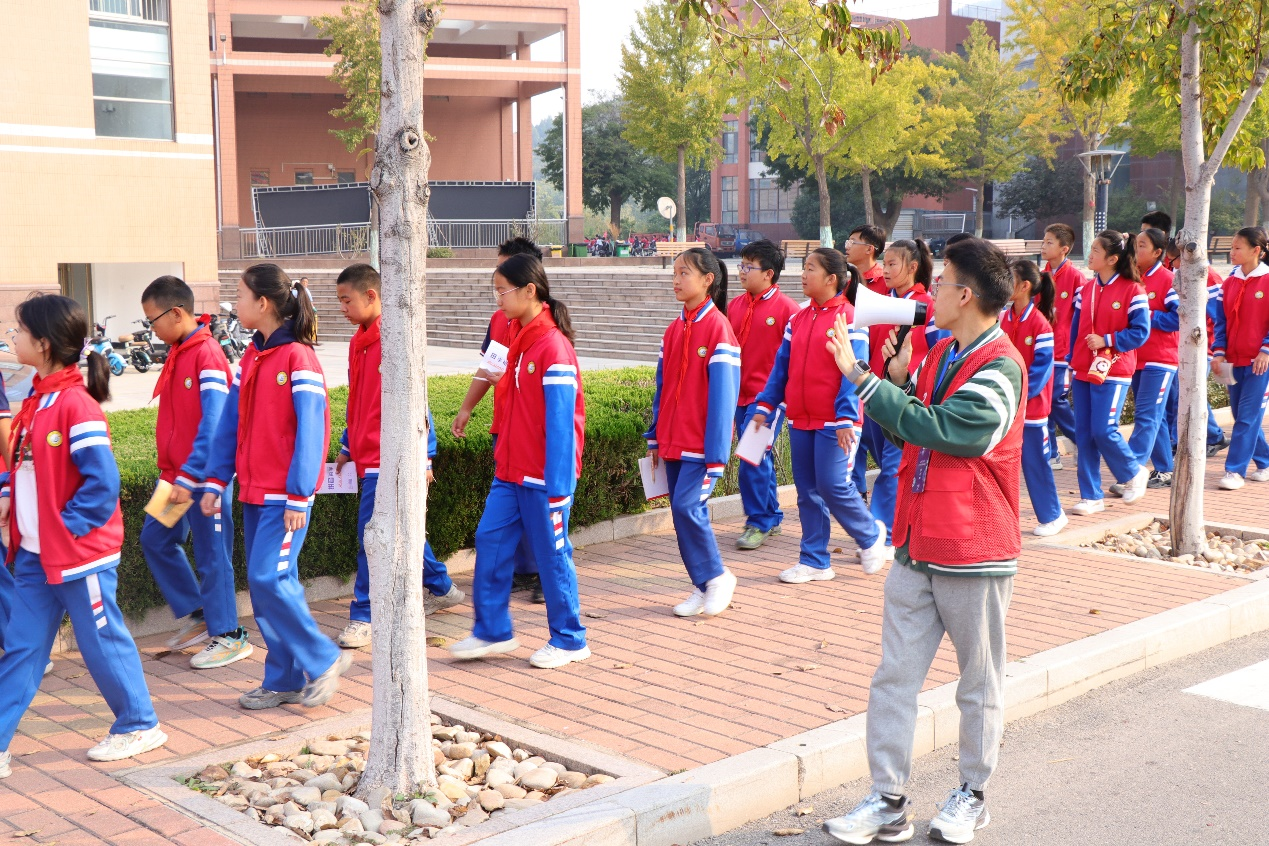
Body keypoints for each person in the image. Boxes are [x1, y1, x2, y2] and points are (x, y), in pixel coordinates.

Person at [821, 238, 1024, 845]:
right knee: (894, 678)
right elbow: (913, 422)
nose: (930, 292)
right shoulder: (939, 353)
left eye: (942, 284)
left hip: (974, 549)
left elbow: (953, 432)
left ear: (966, 296)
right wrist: (899, 380)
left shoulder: (1002, 366)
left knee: (978, 683)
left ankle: (973, 794)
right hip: (916, 543)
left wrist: (864, 380)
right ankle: (888, 799)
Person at [0, 295, 167, 777]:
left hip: (78, 555)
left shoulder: (76, 405)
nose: (12, 337)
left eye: (18, 331)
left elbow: (102, 485)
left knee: (101, 639)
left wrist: (64, 530)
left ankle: (139, 723)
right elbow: (26, 466)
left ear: (44, 343)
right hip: (37, 554)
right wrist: (10, 494)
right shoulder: (39, 398)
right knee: (22, 648)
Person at [200, 263, 352, 710]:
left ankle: (323, 658)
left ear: (263, 303)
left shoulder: (298, 358)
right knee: (269, 585)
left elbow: (312, 431)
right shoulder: (253, 356)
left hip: (285, 497)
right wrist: (215, 479)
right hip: (254, 492)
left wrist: (300, 494)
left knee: (268, 578)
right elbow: (230, 425)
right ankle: (283, 680)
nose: (235, 305)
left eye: (240, 296)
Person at [450, 255, 589, 668]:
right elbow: (490, 371)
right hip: (510, 469)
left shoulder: (553, 347)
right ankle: (492, 630)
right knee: (490, 539)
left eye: (502, 290)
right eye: (495, 290)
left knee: (552, 554)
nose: (498, 299)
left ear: (530, 291)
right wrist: (468, 406)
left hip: (544, 477)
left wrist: (558, 490)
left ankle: (570, 639)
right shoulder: (510, 331)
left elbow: (563, 426)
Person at [333, 264, 463, 651]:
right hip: (367, 455)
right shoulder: (359, 342)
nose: (342, 308)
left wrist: (426, 457)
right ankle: (441, 586)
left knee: (370, 536)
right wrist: (347, 444)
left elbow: (418, 402)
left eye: (346, 300)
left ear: (371, 296)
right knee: (397, 532)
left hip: (389, 457)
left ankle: (364, 615)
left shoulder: (396, 338)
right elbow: (358, 400)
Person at [749, 248, 889, 583]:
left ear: (831, 279)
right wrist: (765, 405)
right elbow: (781, 368)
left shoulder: (850, 319)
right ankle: (814, 561)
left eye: (810, 268)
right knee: (807, 492)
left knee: (833, 485)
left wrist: (845, 418)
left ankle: (870, 535)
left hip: (836, 423)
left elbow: (853, 372)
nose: (803, 274)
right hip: (801, 419)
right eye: (804, 267)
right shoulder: (797, 319)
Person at [138, 276, 251, 669]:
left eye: (152, 320)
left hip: (204, 479)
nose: (150, 328)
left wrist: (190, 474)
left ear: (176, 313)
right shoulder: (179, 351)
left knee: (212, 555)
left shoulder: (207, 354)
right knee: (155, 538)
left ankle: (230, 635)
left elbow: (215, 423)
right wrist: (178, 474)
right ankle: (203, 614)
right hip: (175, 477)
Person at [646, 248, 741, 617]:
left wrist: (716, 455)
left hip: (701, 447)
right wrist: (655, 436)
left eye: (684, 273)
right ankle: (701, 585)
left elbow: (723, 399)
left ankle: (717, 576)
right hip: (672, 441)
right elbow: (662, 387)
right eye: (674, 273)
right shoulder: (674, 329)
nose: (676, 280)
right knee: (680, 512)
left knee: (688, 507)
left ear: (707, 280)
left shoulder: (719, 329)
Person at [452, 237, 545, 604]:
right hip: (503, 428)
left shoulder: (547, 325)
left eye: (506, 276)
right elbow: (489, 368)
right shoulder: (499, 318)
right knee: (510, 506)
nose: (499, 286)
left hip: (532, 433)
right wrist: (466, 407)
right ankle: (522, 571)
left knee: (539, 506)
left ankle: (547, 572)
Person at [856, 239, 945, 556]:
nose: (886, 269)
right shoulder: (881, 300)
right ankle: (903, 523)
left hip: (906, 397)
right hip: (877, 394)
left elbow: (940, 349)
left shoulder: (926, 305)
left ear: (912, 267)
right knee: (891, 464)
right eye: (885, 263)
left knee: (893, 468)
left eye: (893, 264)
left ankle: (881, 534)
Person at [1066, 231, 1151, 515]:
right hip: (1083, 369)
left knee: (1104, 429)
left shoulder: (1133, 290)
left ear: (1112, 259)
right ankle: (1091, 496)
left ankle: (1133, 471)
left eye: (1095, 250)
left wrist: (1107, 340)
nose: (1089, 254)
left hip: (1114, 368)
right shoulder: (1086, 289)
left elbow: (1141, 332)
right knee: (1084, 434)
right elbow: (1076, 329)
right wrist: (1071, 361)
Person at [730, 239, 799, 550]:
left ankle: (758, 522)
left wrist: (782, 398)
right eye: (741, 264)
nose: (742, 271)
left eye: (749, 266)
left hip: (769, 400)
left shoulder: (788, 310)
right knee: (760, 457)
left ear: (769, 274)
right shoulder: (735, 305)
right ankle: (771, 516)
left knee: (751, 457)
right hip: (739, 396)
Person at [1003, 260, 1067, 536]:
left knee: (1035, 462)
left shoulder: (1041, 325)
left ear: (1024, 286)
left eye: (1009, 278)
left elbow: (1041, 370)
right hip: (1008, 404)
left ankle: (1053, 515)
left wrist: (1019, 395)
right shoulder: (1004, 318)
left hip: (1031, 408)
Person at [1119, 229, 1178, 491]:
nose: (1136, 250)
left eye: (1142, 245)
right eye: (1135, 244)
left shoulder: (1167, 279)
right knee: (1155, 416)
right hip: (1137, 358)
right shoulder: (1133, 279)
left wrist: (1147, 316)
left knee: (1146, 416)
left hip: (1160, 359)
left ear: (1157, 252)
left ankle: (1131, 473)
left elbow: (1180, 317)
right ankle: (1165, 469)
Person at [1212, 226, 1269, 490]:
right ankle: (1265, 461)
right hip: (1233, 362)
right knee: (1241, 415)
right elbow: (1220, 320)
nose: (1232, 252)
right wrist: (1219, 351)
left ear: (1256, 250)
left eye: (1237, 247)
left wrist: (1266, 350)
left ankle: (1234, 471)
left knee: (1247, 416)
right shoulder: (1229, 282)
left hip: (1260, 363)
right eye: (1231, 247)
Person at [1165, 237, 1230, 455]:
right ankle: (1212, 436)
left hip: (1207, 346)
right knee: (1191, 392)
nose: (1172, 265)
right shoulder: (1185, 274)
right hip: (1193, 345)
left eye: (1173, 260)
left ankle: (1189, 440)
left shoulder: (1207, 277)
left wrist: (1218, 350)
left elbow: (1218, 317)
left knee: (1189, 392)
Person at [1040, 223, 1084, 471]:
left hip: (1063, 351)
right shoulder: (1040, 277)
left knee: (1056, 399)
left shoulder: (1076, 277)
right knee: (1043, 400)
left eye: (1049, 242)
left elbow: (1081, 317)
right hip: (1042, 349)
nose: (1043, 246)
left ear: (1064, 249)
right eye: (1044, 241)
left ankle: (1081, 440)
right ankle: (1051, 453)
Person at [843, 224, 887, 302]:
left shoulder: (886, 282)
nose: (847, 247)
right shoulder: (849, 283)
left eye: (852, 242)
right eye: (848, 242)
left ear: (869, 249)